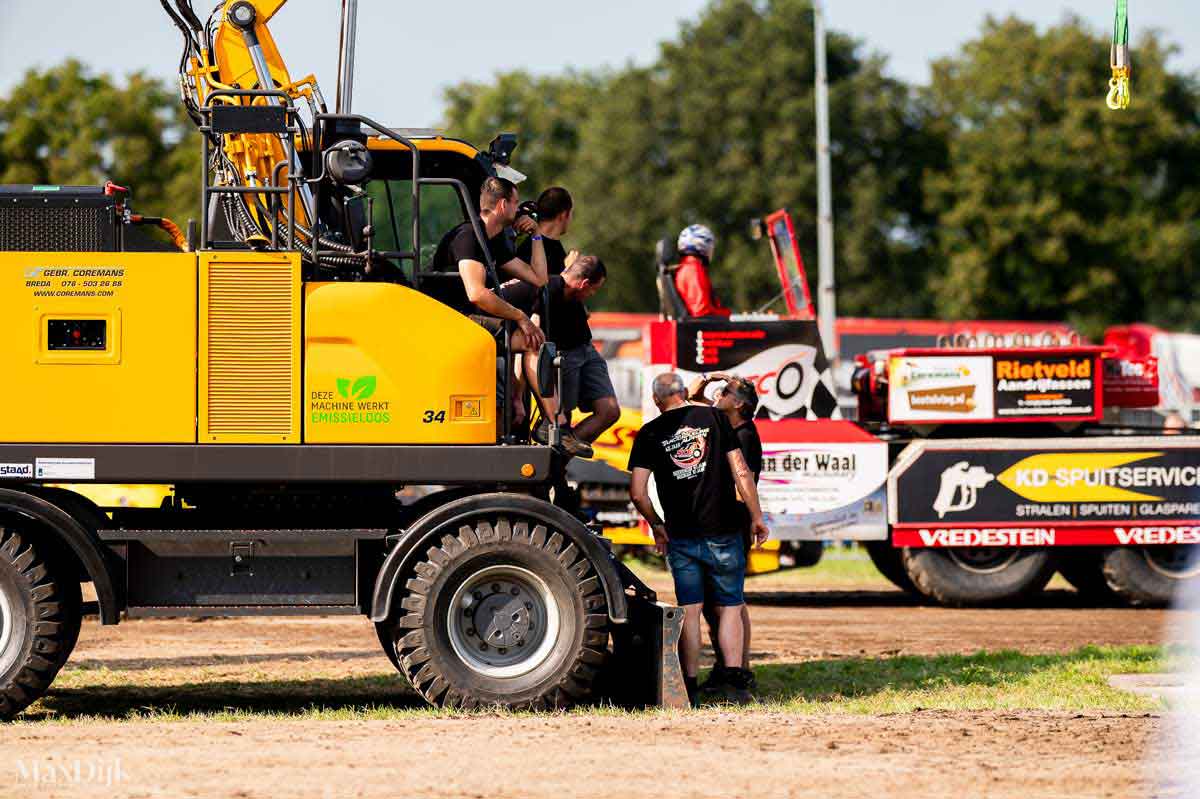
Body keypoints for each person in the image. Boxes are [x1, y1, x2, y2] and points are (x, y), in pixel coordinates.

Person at [628, 373, 769, 706]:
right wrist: (757, 517)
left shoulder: (649, 433)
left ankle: (688, 686)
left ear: (656, 400)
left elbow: (637, 492)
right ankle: (734, 685)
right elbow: (741, 472)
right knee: (731, 606)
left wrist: (656, 524)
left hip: (682, 535)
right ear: (682, 392)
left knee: (690, 611)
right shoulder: (714, 418)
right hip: (723, 530)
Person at [501, 255, 621, 457]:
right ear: (583, 284)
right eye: (594, 289)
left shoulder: (572, 294)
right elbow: (528, 351)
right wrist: (517, 395)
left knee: (609, 411)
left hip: (585, 349)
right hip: (559, 356)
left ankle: (559, 461)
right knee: (562, 415)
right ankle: (554, 454)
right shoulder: (542, 290)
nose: (592, 294)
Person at [688, 372, 762, 692]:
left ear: (740, 404)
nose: (720, 393)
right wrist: (711, 377)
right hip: (721, 525)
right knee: (725, 601)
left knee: (726, 602)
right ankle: (732, 668)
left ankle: (735, 670)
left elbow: (743, 484)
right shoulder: (724, 424)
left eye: (727, 391)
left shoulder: (744, 435)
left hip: (730, 525)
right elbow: (691, 396)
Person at [430, 176, 547, 353]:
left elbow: (539, 278)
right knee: (531, 341)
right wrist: (520, 316)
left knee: (534, 337)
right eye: (515, 203)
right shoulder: (468, 235)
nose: (518, 209)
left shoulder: (494, 240)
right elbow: (477, 293)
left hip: (465, 314)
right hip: (446, 316)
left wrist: (536, 233)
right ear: (502, 205)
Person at [515, 186, 578, 276]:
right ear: (564, 214)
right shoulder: (559, 258)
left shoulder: (519, 236)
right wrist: (569, 270)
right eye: (571, 212)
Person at [673, 224, 731, 318]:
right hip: (704, 327)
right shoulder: (693, 269)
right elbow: (701, 311)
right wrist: (726, 315)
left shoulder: (685, 267)